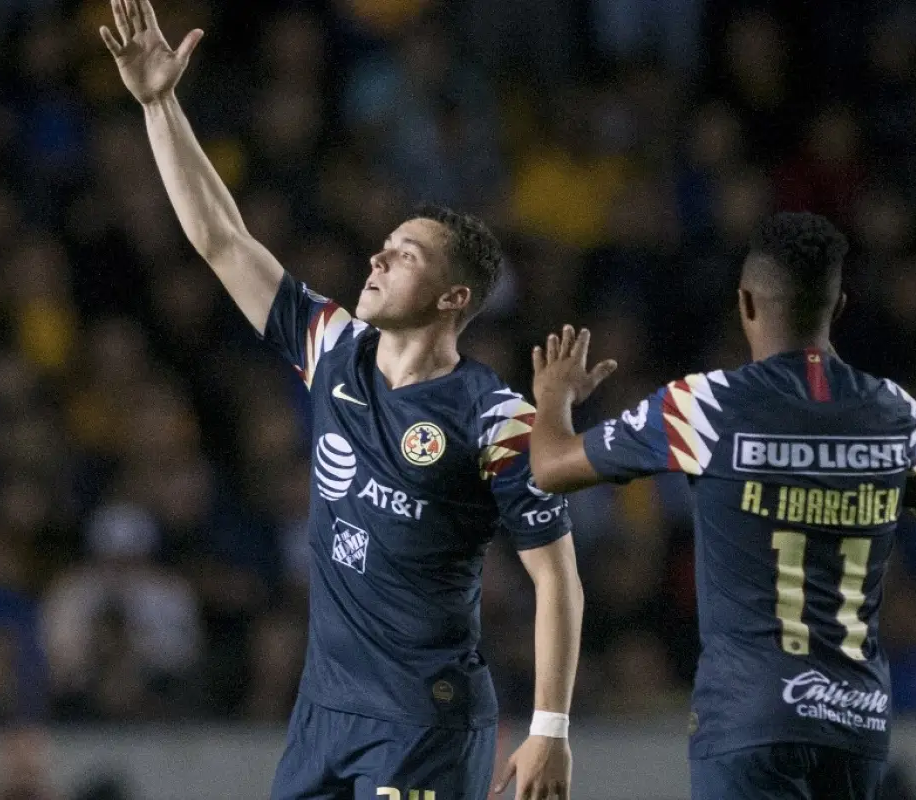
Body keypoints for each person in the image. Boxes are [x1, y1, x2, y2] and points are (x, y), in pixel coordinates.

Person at [99, 2, 583, 798]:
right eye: (385, 244)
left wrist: (549, 730)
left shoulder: (491, 418)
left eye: (406, 253)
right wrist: (159, 104)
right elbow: (222, 239)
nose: (378, 256)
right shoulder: (334, 349)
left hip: (424, 723)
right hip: (323, 714)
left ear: (454, 295)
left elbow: (557, 577)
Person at [528, 211, 916, 800]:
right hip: (857, 721)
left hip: (750, 719)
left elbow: (550, 467)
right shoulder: (896, 411)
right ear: (838, 307)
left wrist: (554, 398)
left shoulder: (705, 406)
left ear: (746, 305)